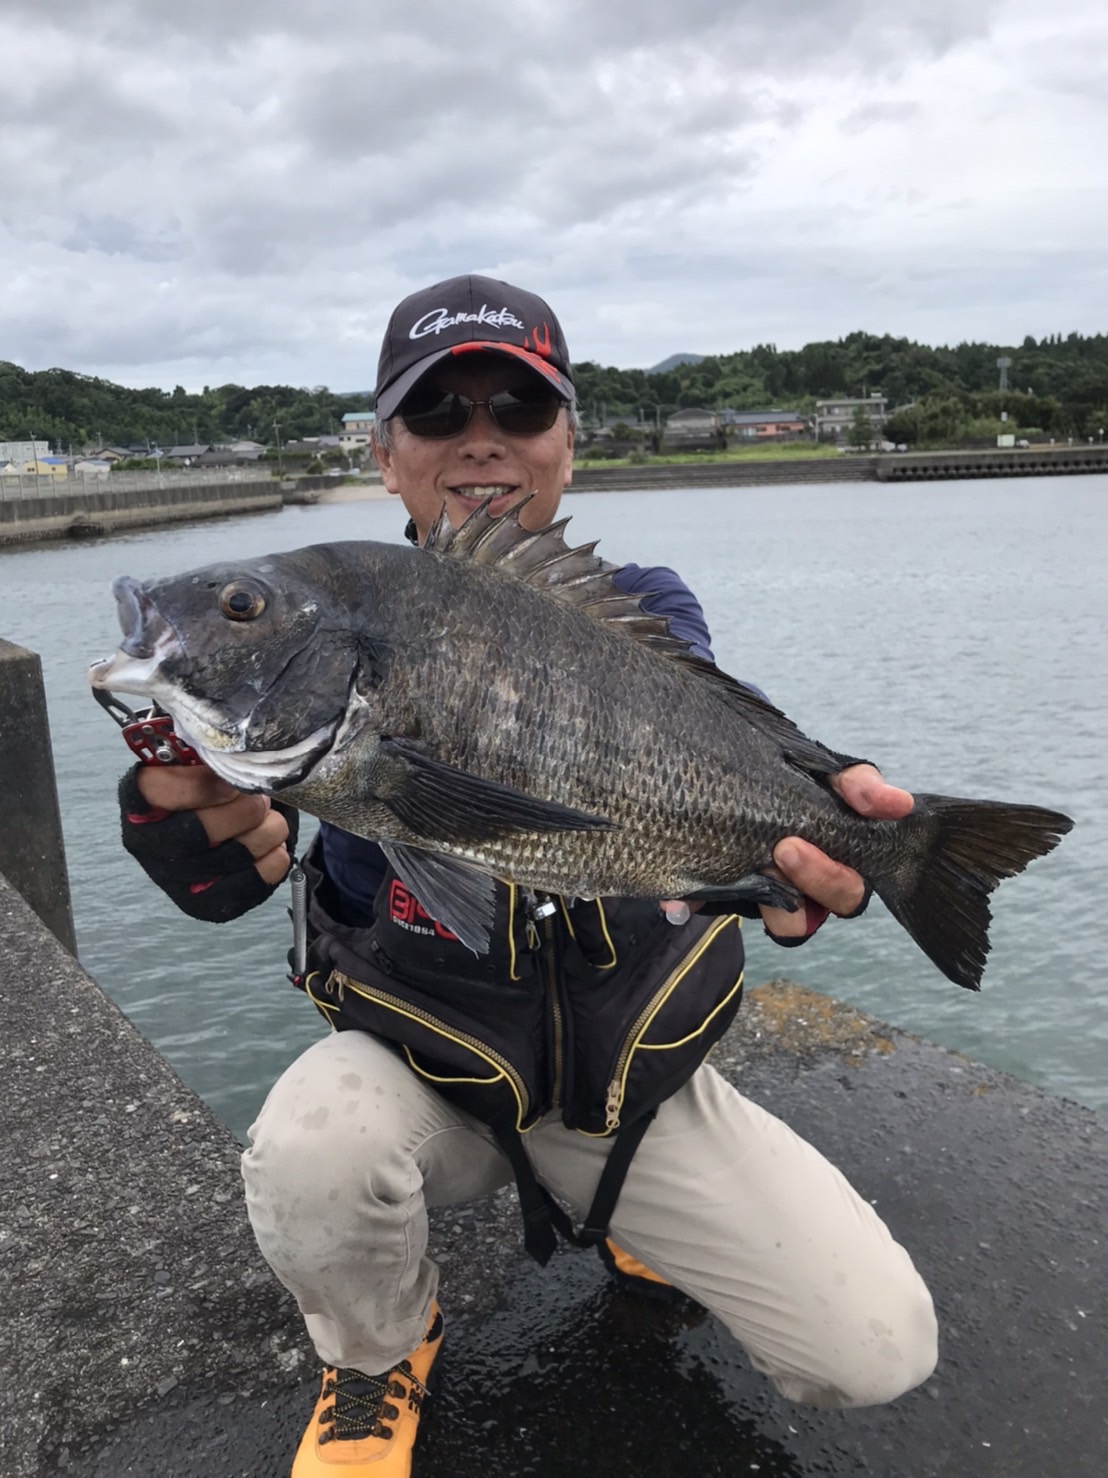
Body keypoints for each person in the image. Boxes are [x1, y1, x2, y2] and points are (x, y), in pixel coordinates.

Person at [118, 275, 938, 1477]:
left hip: (625, 1088)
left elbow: (692, 743)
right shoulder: (330, 639)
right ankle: (377, 1351)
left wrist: (805, 824)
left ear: (568, 440)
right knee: (313, 1145)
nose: (481, 435)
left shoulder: (642, 609)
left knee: (876, 1348)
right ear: (386, 453)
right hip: (424, 1078)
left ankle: (630, 1217)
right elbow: (236, 875)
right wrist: (176, 822)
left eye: (519, 403)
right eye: (438, 412)